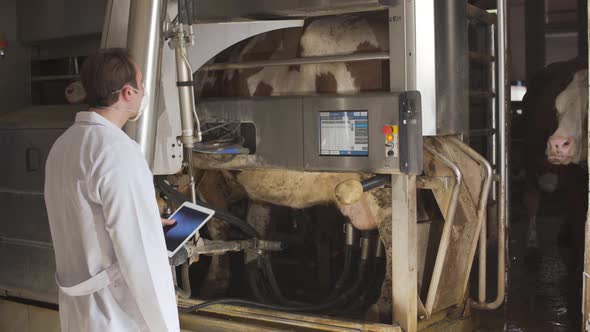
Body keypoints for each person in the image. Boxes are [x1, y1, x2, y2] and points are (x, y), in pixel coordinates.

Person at [44, 48, 180, 331]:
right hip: (117, 315)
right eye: (141, 84)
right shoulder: (117, 151)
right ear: (128, 93)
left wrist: (145, 221)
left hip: (80, 310)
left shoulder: (63, 144)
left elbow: (83, 217)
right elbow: (141, 257)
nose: (144, 91)